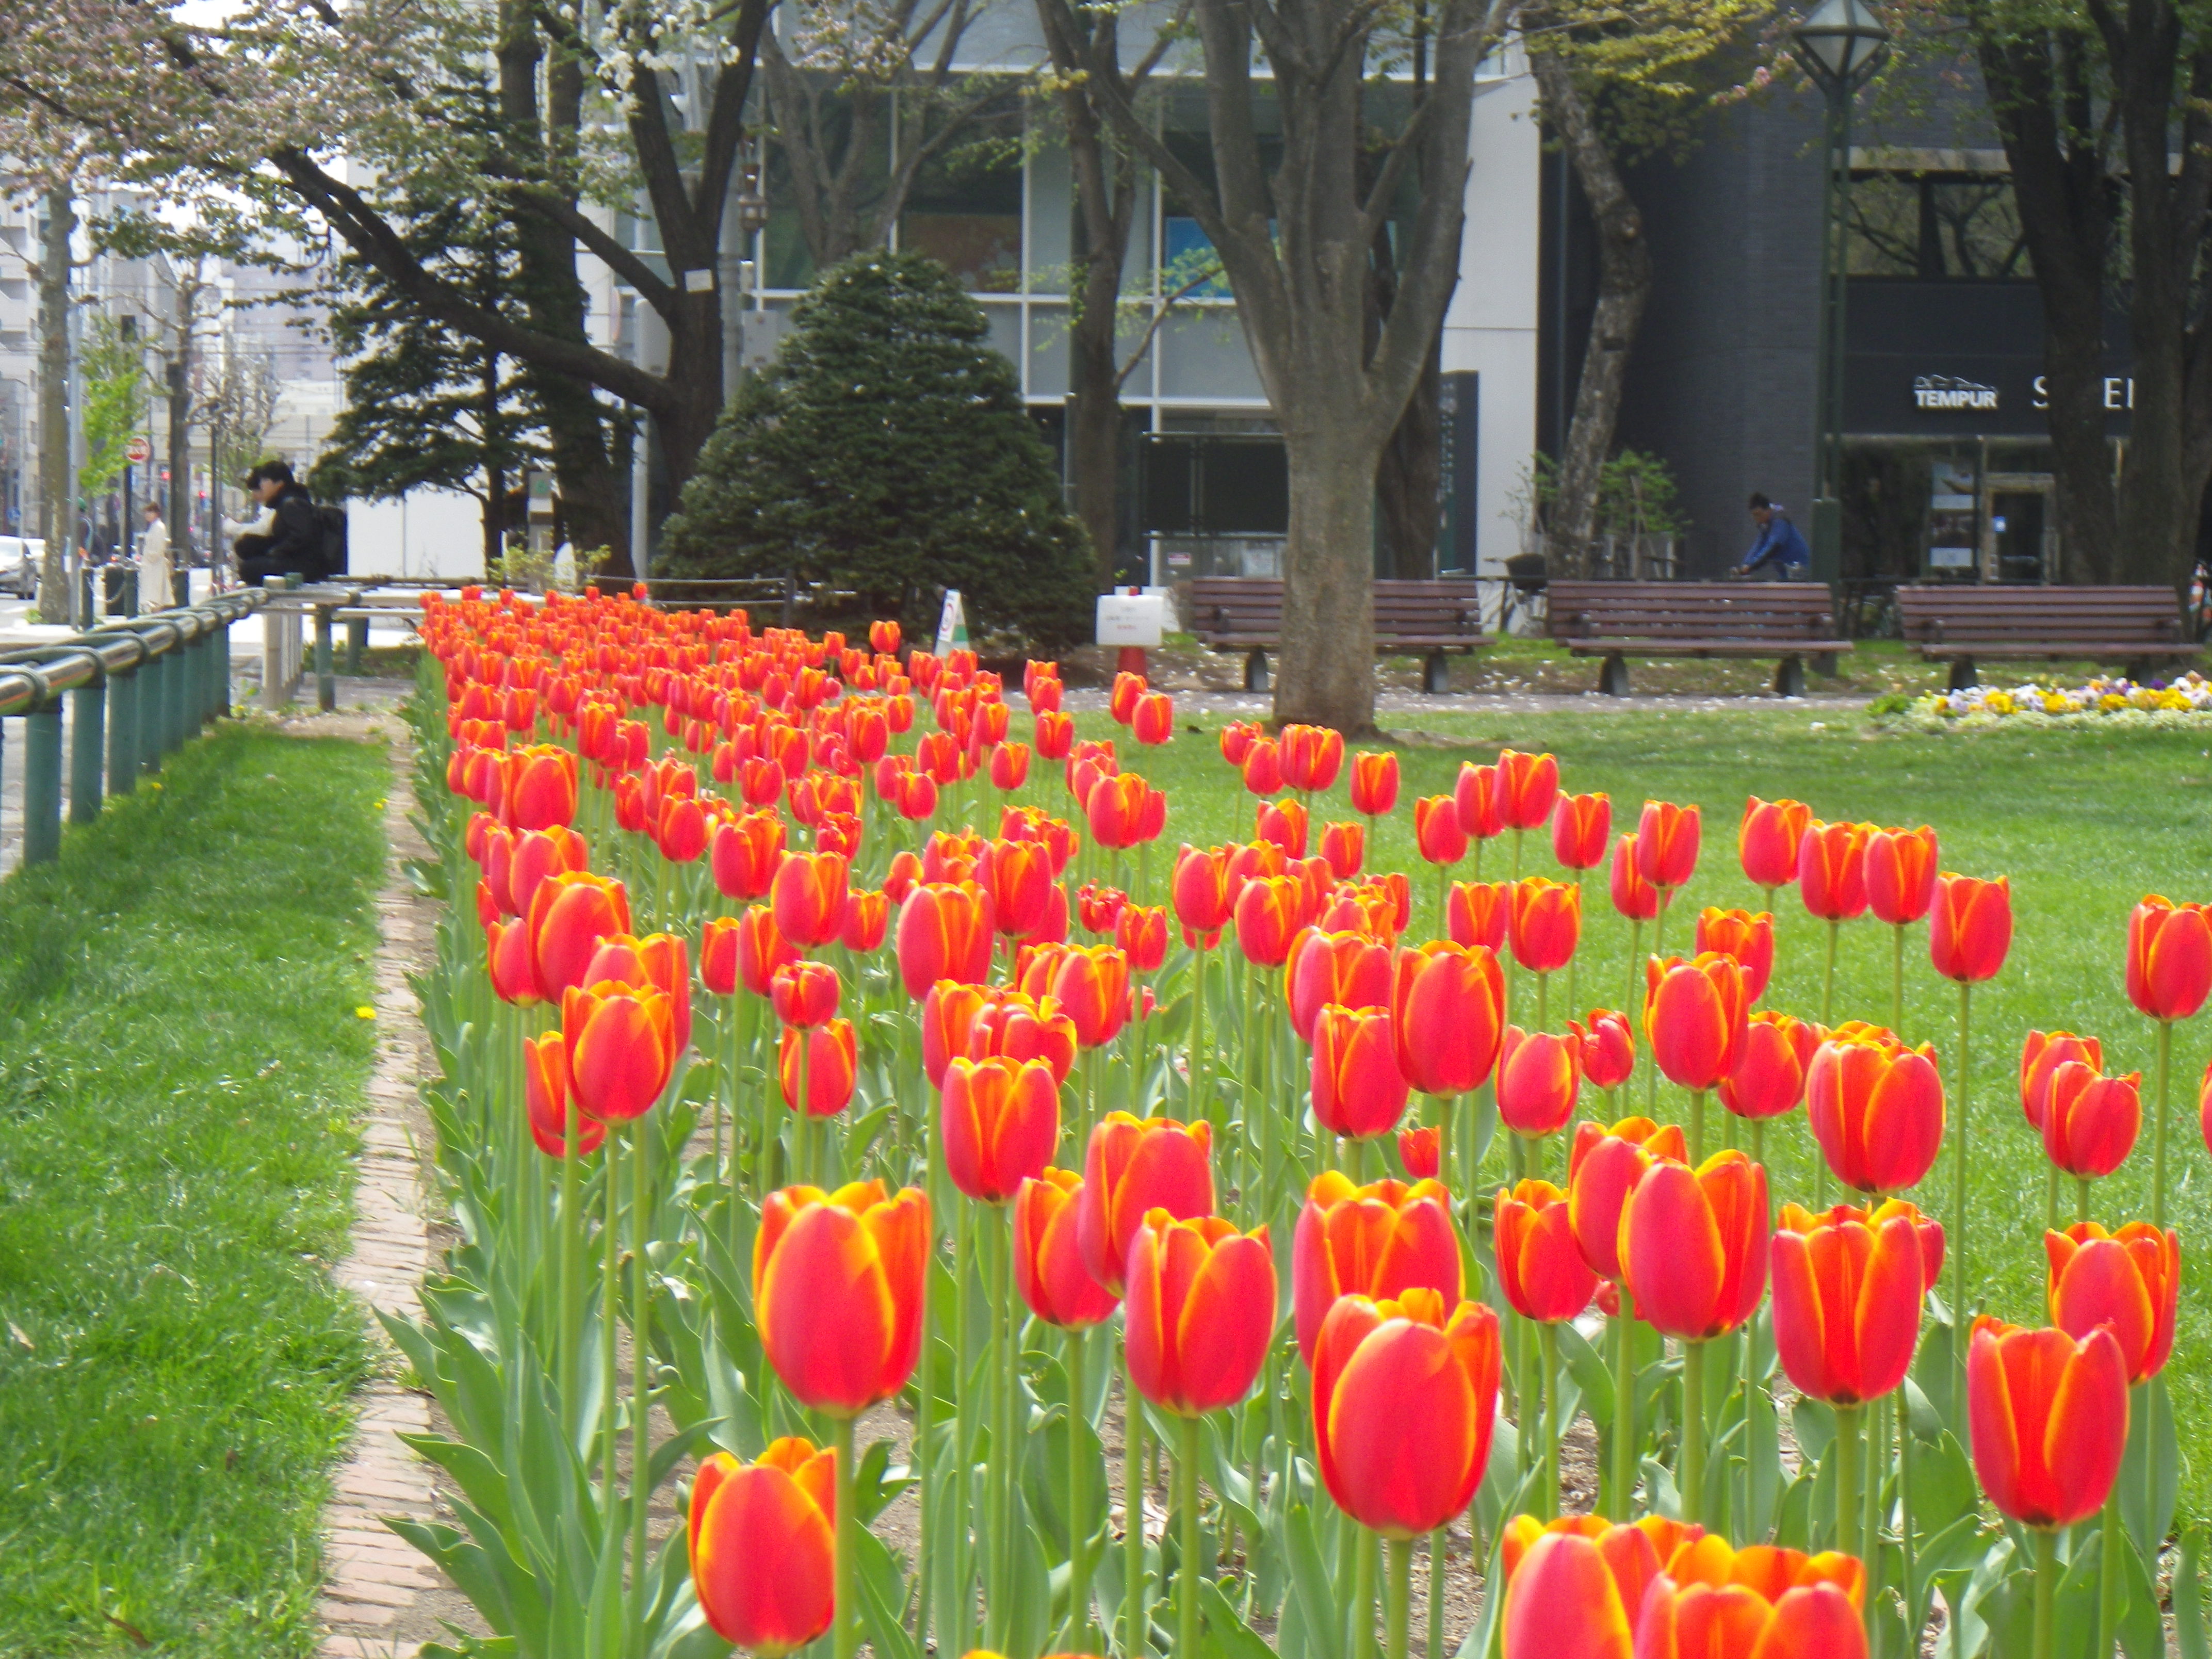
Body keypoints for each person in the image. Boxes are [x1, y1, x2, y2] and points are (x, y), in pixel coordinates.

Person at [232, 461, 323, 586]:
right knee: (246, 547)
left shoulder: (292, 503)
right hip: (294, 559)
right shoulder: (286, 503)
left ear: (279, 483)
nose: (261, 484)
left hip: (303, 564)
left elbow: (301, 536)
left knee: (249, 569)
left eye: (265, 480)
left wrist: (275, 552)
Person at [1738, 492, 1810, 580]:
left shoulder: (1779, 521)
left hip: (1800, 570)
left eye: (1758, 514)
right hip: (1788, 572)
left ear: (1768, 510)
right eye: (1754, 515)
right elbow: (1758, 546)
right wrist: (1745, 565)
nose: (1756, 518)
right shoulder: (1766, 526)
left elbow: (1773, 547)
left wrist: (1751, 566)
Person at [137, 501, 173, 612]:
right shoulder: (154, 527)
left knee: (156, 596)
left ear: (157, 513)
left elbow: (158, 549)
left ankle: (157, 616)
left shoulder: (158, 527)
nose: (147, 515)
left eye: (150, 512)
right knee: (154, 595)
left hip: (155, 566)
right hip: (152, 566)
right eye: (146, 512)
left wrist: (148, 557)